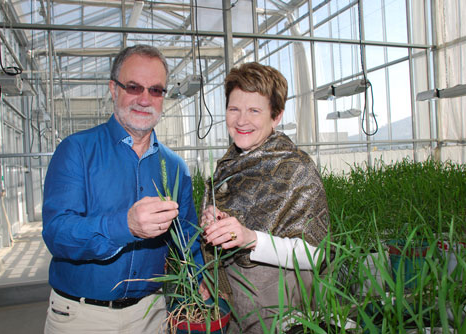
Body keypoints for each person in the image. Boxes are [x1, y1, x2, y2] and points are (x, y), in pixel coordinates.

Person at [42, 45, 204, 334]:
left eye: (156, 90)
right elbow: (58, 234)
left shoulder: (175, 166)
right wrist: (125, 226)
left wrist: (202, 279)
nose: (145, 99)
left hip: (152, 315)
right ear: (113, 89)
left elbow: (187, 238)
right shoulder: (76, 151)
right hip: (82, 317)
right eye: (133, 87)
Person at [200, 62, 330, 333]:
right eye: (234, 109)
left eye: (254, 111)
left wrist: (250, 239)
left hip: (278, 301)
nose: (241, 120)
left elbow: (316, 256)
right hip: (232, 301)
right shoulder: (228, 164)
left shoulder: (296, 168)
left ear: (276, 116)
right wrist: (216, 222)